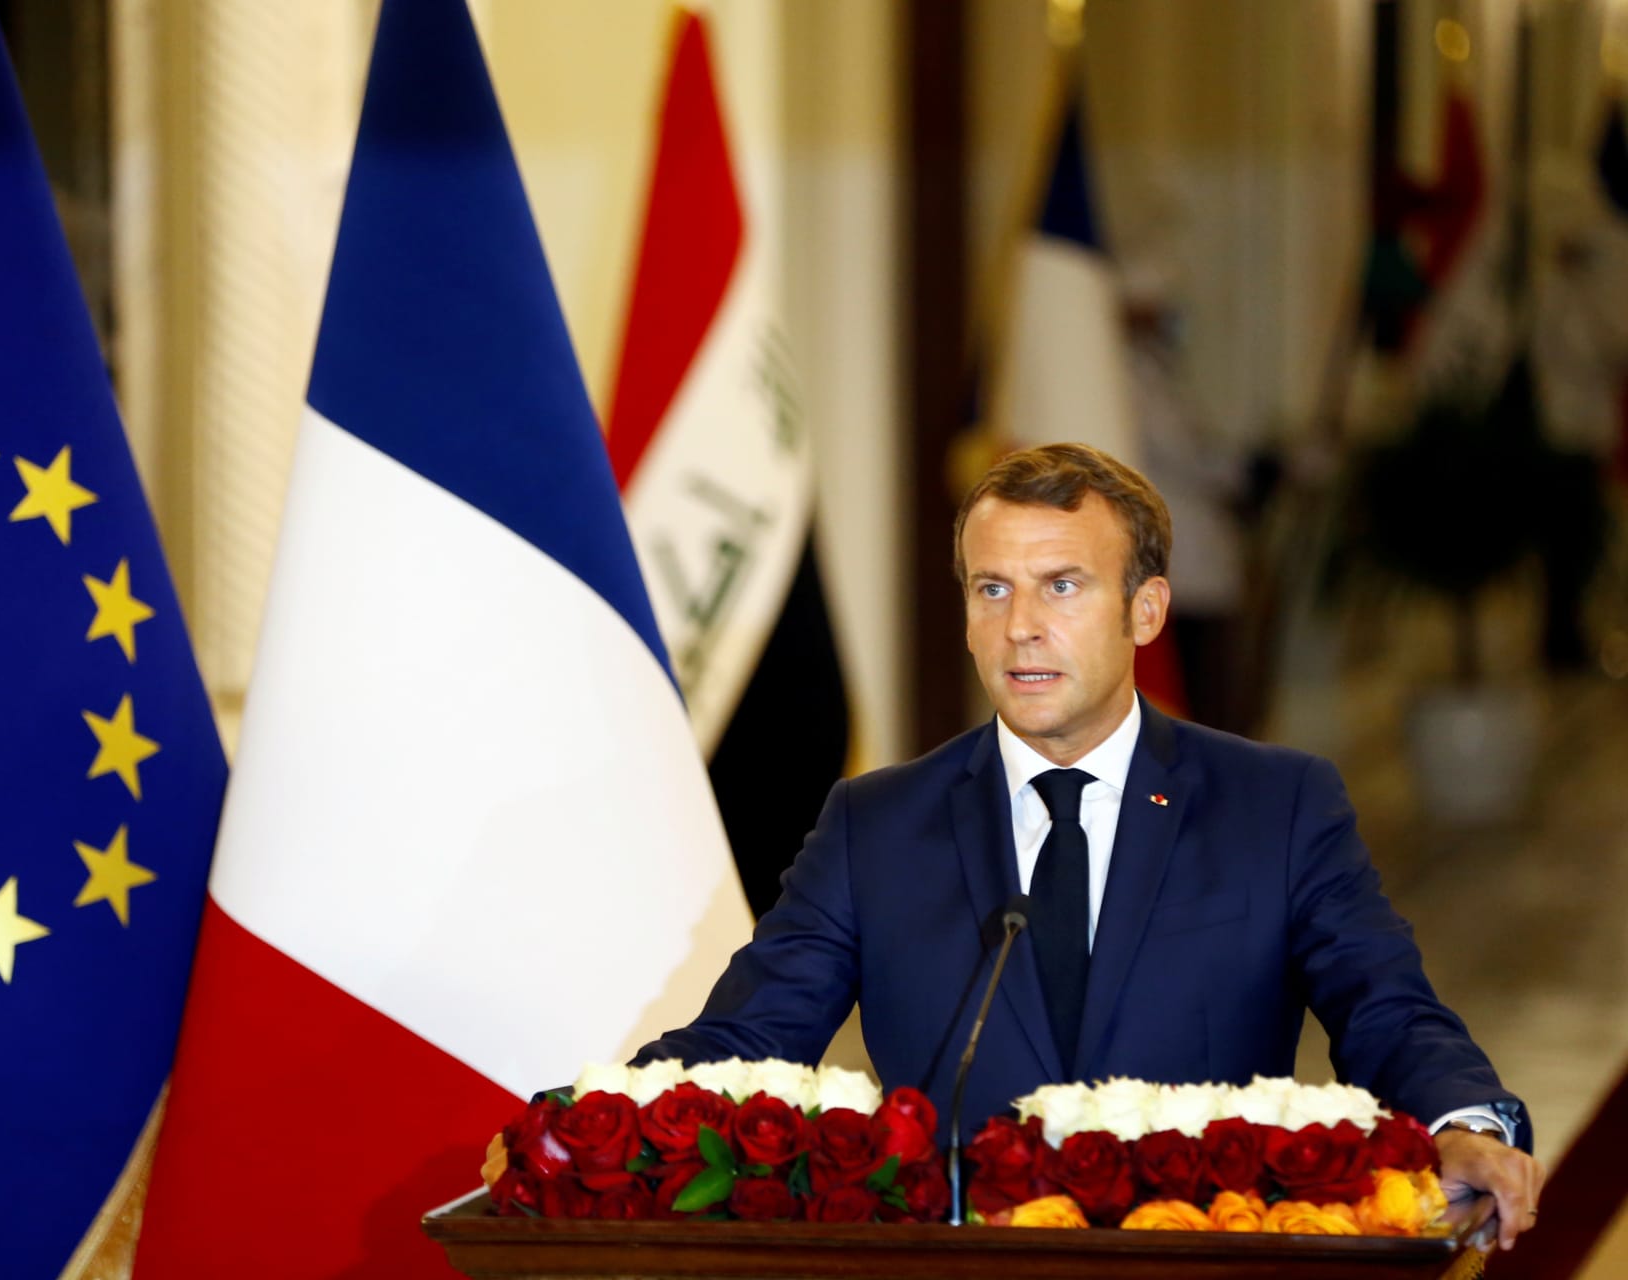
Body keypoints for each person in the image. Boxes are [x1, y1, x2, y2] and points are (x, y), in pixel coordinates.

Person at [634, 443, 1543, 1249]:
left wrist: (1464, 1123)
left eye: (1061, 586)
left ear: (1145, 612)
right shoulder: (876, 823)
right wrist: (593, 1121)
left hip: (1203, 1273)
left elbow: (1387, 1011)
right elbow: (748, 1040)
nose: (1019, 625)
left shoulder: (1277, 806)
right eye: (992, 589)